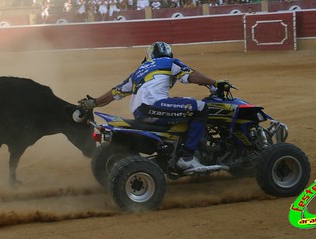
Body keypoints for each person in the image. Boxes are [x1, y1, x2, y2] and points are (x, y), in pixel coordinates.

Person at [79, 41, 227, 173]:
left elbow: (115, 92)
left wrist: (94, 102)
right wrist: (214, 83)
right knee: (200, 108)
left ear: (149, 56)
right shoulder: (170, 62)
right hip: (155, 106)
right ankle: (187, 157)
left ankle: (178, 148)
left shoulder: (138, 72)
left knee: (182, 103)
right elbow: (190, 75)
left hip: (140, 113)